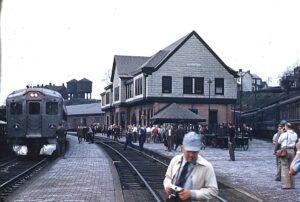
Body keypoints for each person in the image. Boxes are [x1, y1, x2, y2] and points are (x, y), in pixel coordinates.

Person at [163, 131, 218, 201]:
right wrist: (167, 186)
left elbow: (213, 190)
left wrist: (192, 194)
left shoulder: (206, 166)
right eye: (188, 151)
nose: (191, 155)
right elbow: (168, 177)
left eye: (194, 152)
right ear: (182, 148)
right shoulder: (175, 160)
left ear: (199, 150)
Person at [277, 122, 298, 189]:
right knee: (292, 167)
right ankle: (292, 185)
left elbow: (279, 141)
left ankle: (286, 185)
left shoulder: (284, 134)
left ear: (286, 127)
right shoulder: (295, 134)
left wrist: (282, 132)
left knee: (284, 167)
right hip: (292, 151)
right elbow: (295, 140)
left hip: (285, 151)